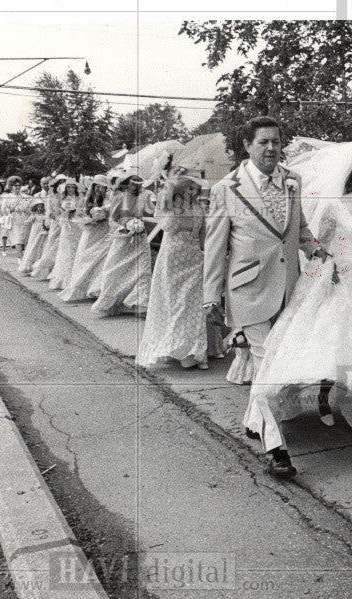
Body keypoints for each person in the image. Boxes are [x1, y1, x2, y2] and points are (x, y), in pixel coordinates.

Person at [249, 144, 352, 460]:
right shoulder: (334, 207)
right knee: (331, 349)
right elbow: (315, 245)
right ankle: (280, 403)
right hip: (341, 284)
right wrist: (327, 271)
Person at [202, 116, 327, 479]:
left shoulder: (292, 181)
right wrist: (210, 296)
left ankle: (254, 418)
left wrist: (319, 251)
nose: (272, 148)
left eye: (276, 142)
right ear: (247, 146)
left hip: (289, 287)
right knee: (266, 364)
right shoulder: (227, 188)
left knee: (274, 365)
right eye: (263, 143)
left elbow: (299, 228)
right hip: (248, 291)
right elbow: (215, 246)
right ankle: (277, 450)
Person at [137, 173, 209, 369]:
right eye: (188, 188)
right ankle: (173, 347)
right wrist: (167, 198)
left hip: (194, 258)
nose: (192, 192)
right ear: (180, 190)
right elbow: (166, 226)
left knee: (191, 303)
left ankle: (193, 350)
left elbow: (202, 234)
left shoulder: (199, 208)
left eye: (194, 189)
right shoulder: (170, 208)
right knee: (174, 302)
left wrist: (205, 253)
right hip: (173, 260)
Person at [92, 173, 152, 316]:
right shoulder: (119, 197)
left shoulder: (144, 198)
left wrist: (141, 224)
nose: (136, 187)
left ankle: (140, 304)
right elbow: (112, 220)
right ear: (126, 184)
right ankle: (112, 301)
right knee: (116, 269)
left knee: (143, 269)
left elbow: (150, 213)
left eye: (139, 185)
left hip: (140, 237)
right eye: (133, 184)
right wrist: (123, 227)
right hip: (123, 237)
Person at [61, 176, 113, 302]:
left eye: (102, 187)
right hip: (90, 233)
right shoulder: (87, 200)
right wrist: (87, 220)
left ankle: (97, 289)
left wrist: (104, 216)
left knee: (102, 259)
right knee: (86, 258)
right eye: (97, 186)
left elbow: (112, 215)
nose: (99, 189)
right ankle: (83, 286)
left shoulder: (109, 201)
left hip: (104, 232)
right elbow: (80, 215)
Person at [48, 180, 84, 291]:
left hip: (76, 225)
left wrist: (75, 212)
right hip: (65, 225)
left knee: (76, 249)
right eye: (68, 187)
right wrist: (63, 214)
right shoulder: (62, 199)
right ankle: (62, 279)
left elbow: (82, 211)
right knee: (65, 250)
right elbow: (57, 213)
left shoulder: (80, 199)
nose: (70, 189)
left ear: (75, 188)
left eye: (72, 187)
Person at [30, 176, 67, 279]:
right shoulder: (53, 197)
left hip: (66, 224)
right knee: (52, 245)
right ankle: (46, 269)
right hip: (56, 223)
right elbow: (49, 212)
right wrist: (51, 220)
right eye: (60, 184)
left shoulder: (67, 197)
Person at [19, 178, 51, 275]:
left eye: (47, 183)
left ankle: (44, 268)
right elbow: (30, 216)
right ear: (41, 184)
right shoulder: (37, 195)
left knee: (45, 246)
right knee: (34, 245)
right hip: (37, 228)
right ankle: (29, 266)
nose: (46, 185)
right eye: (44, 183)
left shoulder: (52, 195)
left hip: (47, 225)